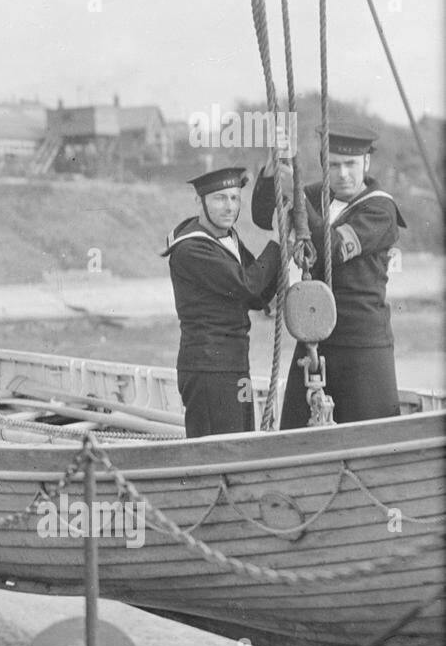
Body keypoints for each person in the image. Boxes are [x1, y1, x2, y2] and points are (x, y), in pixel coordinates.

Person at [251, 125, 407, 427]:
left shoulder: (381, 209)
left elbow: (333, 249)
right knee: (295, 434)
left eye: (350, 165)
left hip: (361, 345)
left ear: (366, 163)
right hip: (314, 337)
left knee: (370, 437)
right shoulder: (318, 196)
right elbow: (262, 217)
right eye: (333, 165)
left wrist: (294, 193)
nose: (342, 174)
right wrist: (273, 173)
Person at [162, 167, 282, 437]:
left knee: (243, 437)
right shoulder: (192, 249)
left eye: (235, 198)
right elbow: (248, 284)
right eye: (220, 198)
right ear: (200, 202)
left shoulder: (228, 240)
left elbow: (258, 295)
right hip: (209, 369)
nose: (230, 207)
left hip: (236, 365)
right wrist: (277, 241)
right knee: (220, 448)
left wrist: (285, 255)